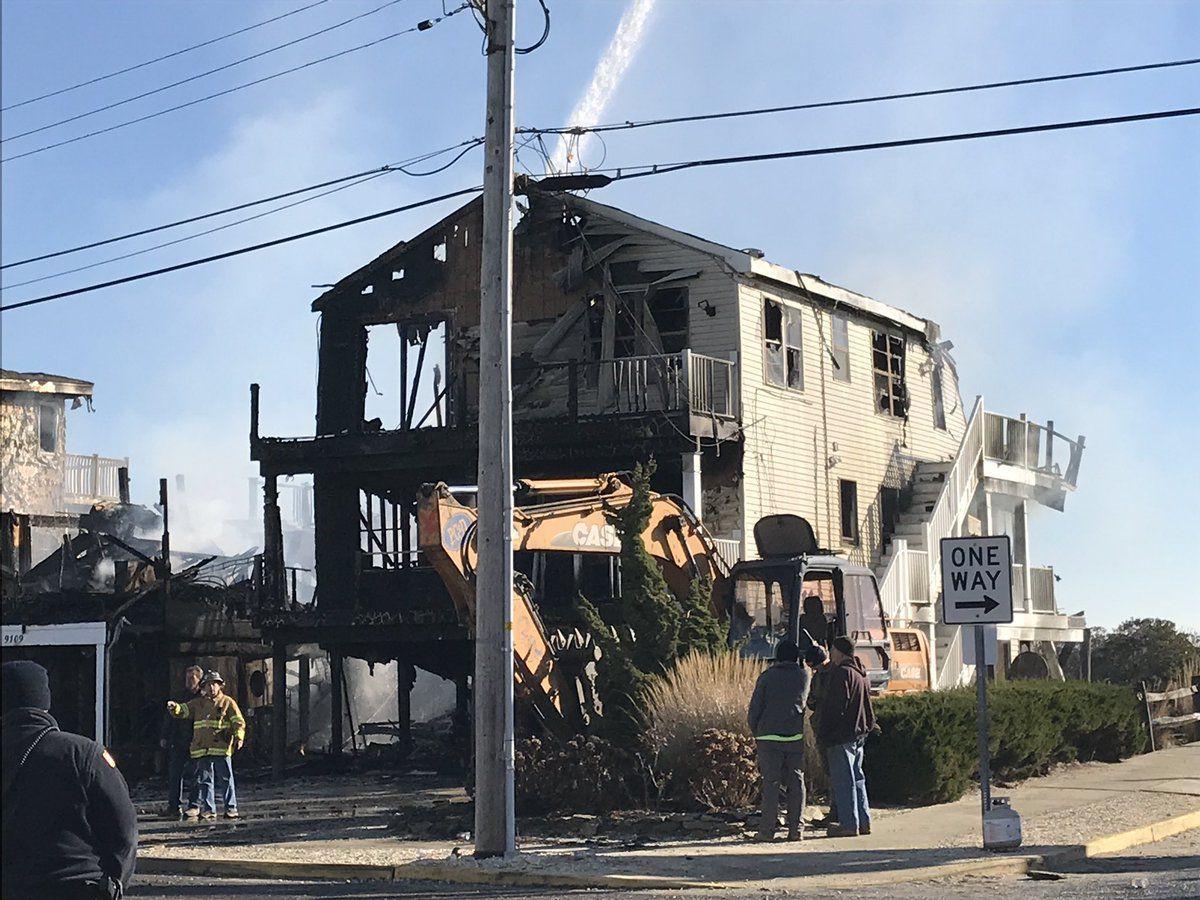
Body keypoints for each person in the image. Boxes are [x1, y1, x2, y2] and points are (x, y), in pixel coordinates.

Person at [2, 660, 137, 900]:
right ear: (45, 701)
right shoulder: (82, 752)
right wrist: (114, 883)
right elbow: (123, 829)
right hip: (75, 883)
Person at [746, 640, 822, 841]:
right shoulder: (803, 676)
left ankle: (767, 830)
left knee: (771, 783)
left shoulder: (766, 677)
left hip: (768, 736)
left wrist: (756, 729)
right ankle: (796, 829)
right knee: (796, 781)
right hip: (793, 735)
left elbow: (755, 708)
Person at [167, 669, 245, 821]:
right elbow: (184, 710)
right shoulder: (198, 703)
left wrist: (239, 737)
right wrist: (174, 707)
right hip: (202, 749)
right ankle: (209, 810)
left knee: (226, 779)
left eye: (214, 685)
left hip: (221, 748)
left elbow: (238, 721)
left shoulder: (228, 702)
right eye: (208, 685)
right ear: (203, 687)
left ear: (220, 686)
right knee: (205, 781)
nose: (211, 688)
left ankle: (231, 808)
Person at [818, 635, 876, 837]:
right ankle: (863, 821)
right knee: (857, 777)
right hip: (859, 733)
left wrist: (825, 731)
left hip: (841, 735)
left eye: (832, 650)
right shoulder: (861, 674)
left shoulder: (842, 674)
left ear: (839, 651)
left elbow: (836, 706)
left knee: (844, 780)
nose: (830, 653)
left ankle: (849, 824)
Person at [159, 664, 203, 819]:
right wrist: (164, 736)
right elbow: (169, 718)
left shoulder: (203, 699)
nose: (189, 681)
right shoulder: (179, 696)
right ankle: (173, 806)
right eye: (187, 677)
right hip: (178, 741)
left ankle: (194, 805)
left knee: (195, 775)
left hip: (196, 741)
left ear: (199, 679)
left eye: (192, 678)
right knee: (174, 774)